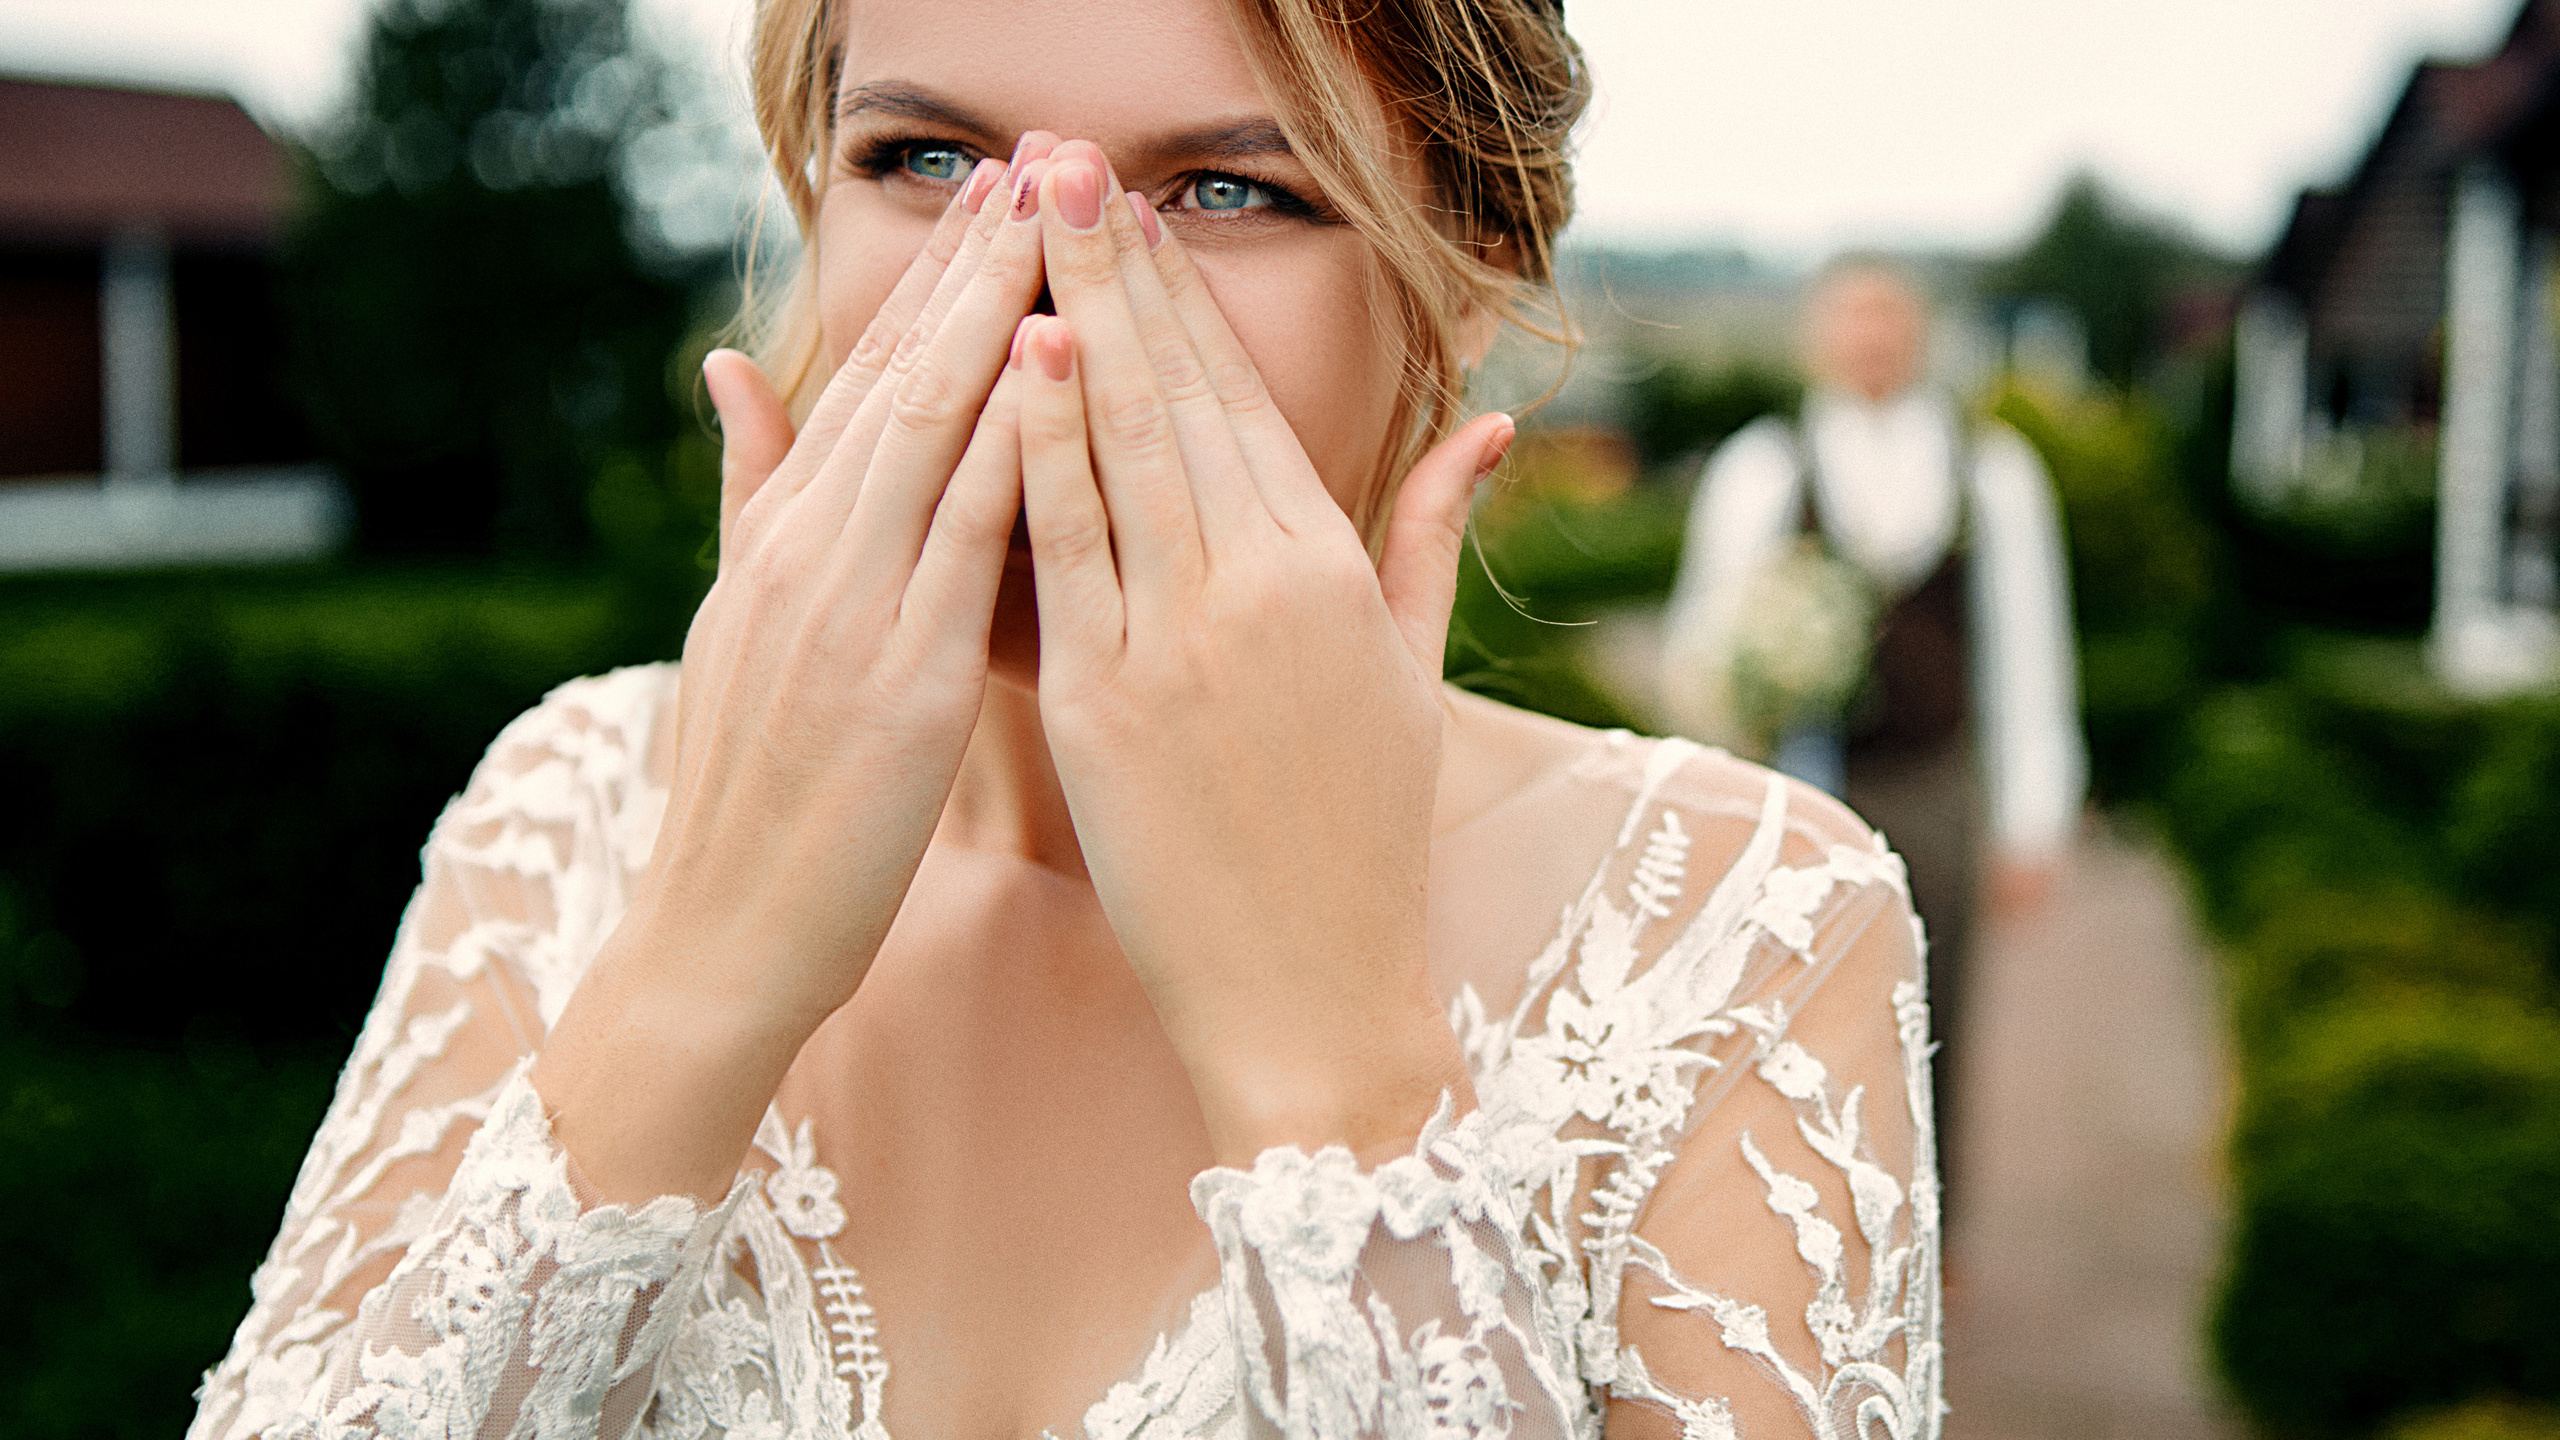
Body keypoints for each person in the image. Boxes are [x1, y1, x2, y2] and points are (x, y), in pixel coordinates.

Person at [189, 2, 1942, 1436]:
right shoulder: (566, 808)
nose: (1036, 305)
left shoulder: (1751, 931)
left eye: (1228, 192)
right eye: (926, 159)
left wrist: (1328, 1066)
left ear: (1468, 278)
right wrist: (703, 959)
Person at [1657, 260, 2083, 1180]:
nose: (1871, 336)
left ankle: (1934, 1229)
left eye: (1889, 315)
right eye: (1852, 316)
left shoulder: (1995, 469)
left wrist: (2033, 814)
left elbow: (2029, 647)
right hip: (1799, 790)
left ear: (1921, 331)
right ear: (1817, 334)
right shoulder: (1761, 467)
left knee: (1941, 1011)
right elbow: (1704, 638)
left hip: (1934, 786)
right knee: (1795, 1014)